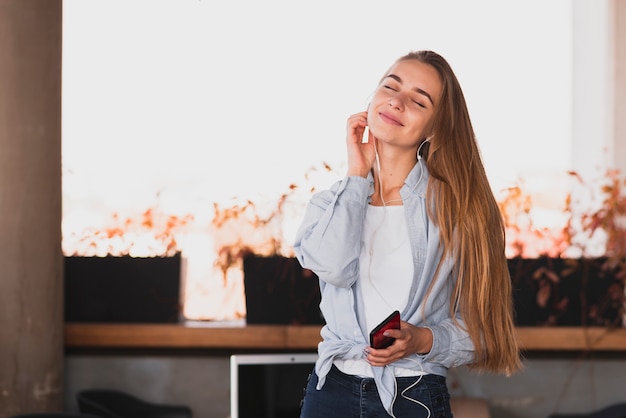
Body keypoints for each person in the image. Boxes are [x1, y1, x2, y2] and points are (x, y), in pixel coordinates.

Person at [293, 50, 522, 418]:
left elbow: (485, 333)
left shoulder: (460, 212)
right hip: (330, 393)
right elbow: (334, 268)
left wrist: (423, 339)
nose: (397, 102)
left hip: (415, 394)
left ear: (435, 127)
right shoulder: (329, 204)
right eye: (390, 86)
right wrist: (356, 175)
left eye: (418, 100)